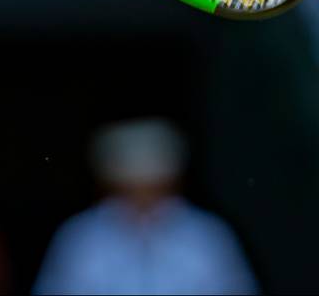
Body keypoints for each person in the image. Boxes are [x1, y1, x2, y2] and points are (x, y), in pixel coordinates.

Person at [33, 119, 257, 295]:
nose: (143, 199)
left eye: (154, 187)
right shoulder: (80, 236)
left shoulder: (207, 234)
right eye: (131, 188)